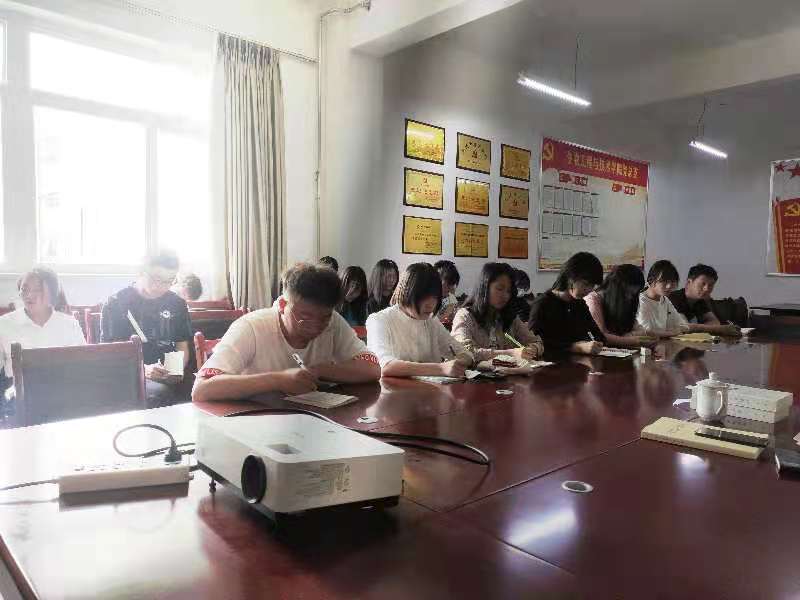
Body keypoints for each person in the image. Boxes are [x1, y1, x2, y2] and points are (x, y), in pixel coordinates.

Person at [192, 263, 379, 403]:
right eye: (305, 317)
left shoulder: (333, 322)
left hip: (312, 421)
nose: (315, 327)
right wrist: (278, 380)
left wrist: (318, 370)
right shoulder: (251, 327)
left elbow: (372, 369)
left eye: (324, 318)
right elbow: (201, 389)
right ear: (282, 305)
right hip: (255, 421)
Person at [101, 251, 192, 404]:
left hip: (167, 371)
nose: (161, 286)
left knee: (202, 389)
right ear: (141, 272)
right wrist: (144, 370)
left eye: (169, 281)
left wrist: (176, 370)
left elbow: (181, 345)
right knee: (159, 393)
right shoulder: (117, 303)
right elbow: (110, 355)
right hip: (131, 374)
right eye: (156, 279)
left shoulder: (177, 303)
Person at [366, 263, 473, 378]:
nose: (431, 304)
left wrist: (459, 361)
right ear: (407, 292)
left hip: (433, 388)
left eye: (436, 296)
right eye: (424, 296)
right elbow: (384, 366)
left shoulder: (431, 321)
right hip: (394, 389)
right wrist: (441, 368)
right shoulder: (379, 320)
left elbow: (464, 354)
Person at [0, 267, 85, 380]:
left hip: (63, 387)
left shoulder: (70, 325)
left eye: (37, 290)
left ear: (52, 293)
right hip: (17, 389)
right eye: (24, 289)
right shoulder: (4, 324)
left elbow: (83, 367)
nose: (29, 295)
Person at [451, 262, 544, 362]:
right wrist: (510, 353)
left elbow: (537, 342)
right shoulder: (465, 316)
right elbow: (463, 352)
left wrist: (532, 349)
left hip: (509, 371)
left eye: (508, 291)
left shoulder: (510, 317)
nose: (505, 296)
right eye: (499, 289)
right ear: (485, 287)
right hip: (475, 372)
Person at [528, 252, 605, 355]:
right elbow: (534, 343)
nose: (589, 290)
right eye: (585, 284)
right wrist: (575, 347)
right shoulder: (543, 304)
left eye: (592, 286)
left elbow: (598, 335)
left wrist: (596, 343)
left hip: (579, 361)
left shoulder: (579, 304)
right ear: (570, 277)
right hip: (551, 362)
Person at [584, 264, 656, 348]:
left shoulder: (625, 301)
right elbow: (600, 336)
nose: (630, 298)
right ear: (616, 289)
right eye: (627, 293)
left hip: (619, 350)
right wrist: (633, 340)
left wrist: (647, 336)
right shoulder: (592, 300)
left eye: (633, 294)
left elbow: (637, 328)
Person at [669, 264, 740, 337]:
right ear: (689, 282)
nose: (706, 289)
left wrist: (698, 328)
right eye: (703, 284)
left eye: (710, 285)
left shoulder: (700, 300)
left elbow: (715, 322)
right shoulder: (674, 298)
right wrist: (721, 329)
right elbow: (684, 327)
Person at [636, 260, 690, 337]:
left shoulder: (664, 300)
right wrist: (673, 333)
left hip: (662, 342)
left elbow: (683, 326)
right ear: (651, 280)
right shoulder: (640, 301)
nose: (669, 286)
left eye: (672, 282)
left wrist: (674, 331)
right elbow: (647, 332)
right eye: (664, 281)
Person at [433, 260, 460, 325]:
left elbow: (448, 316)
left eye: (453, 283)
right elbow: (432, 321)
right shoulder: (426, 299)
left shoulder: (450, 297)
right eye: (448, 283)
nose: (451, 288)